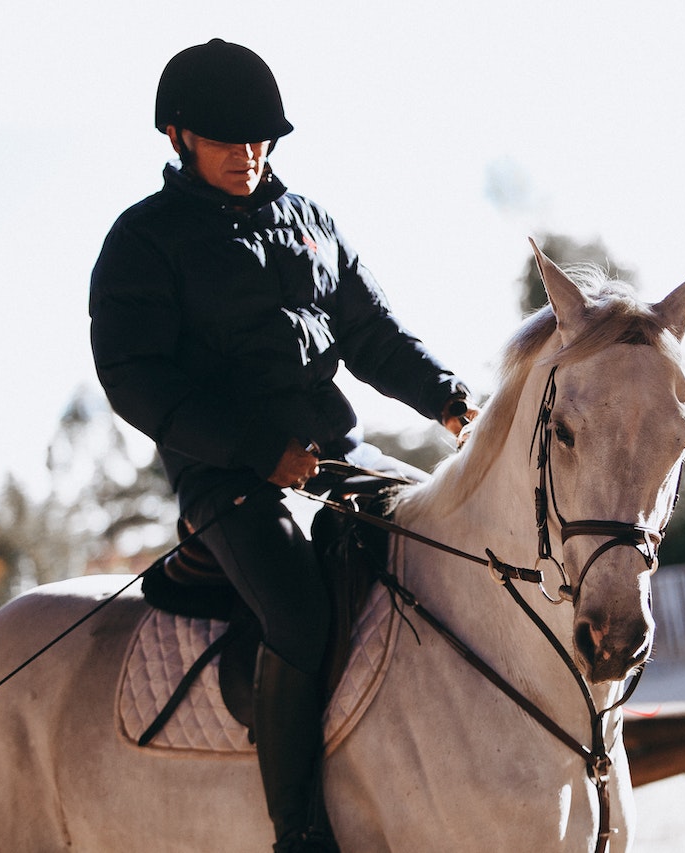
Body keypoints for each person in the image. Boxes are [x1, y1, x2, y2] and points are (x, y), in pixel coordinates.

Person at [89, 39, 477, 852]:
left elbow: (371, 334)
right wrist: (258, 449)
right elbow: (135, 379)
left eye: (261, 138)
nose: (250, 154)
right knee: (298, 615)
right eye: (230, 140)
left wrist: (446, 397)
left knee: (451, 542)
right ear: (177, 138)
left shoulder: (311, 221)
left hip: (340, 458)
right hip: (227, 477)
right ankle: (297, 826)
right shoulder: (143, 241)